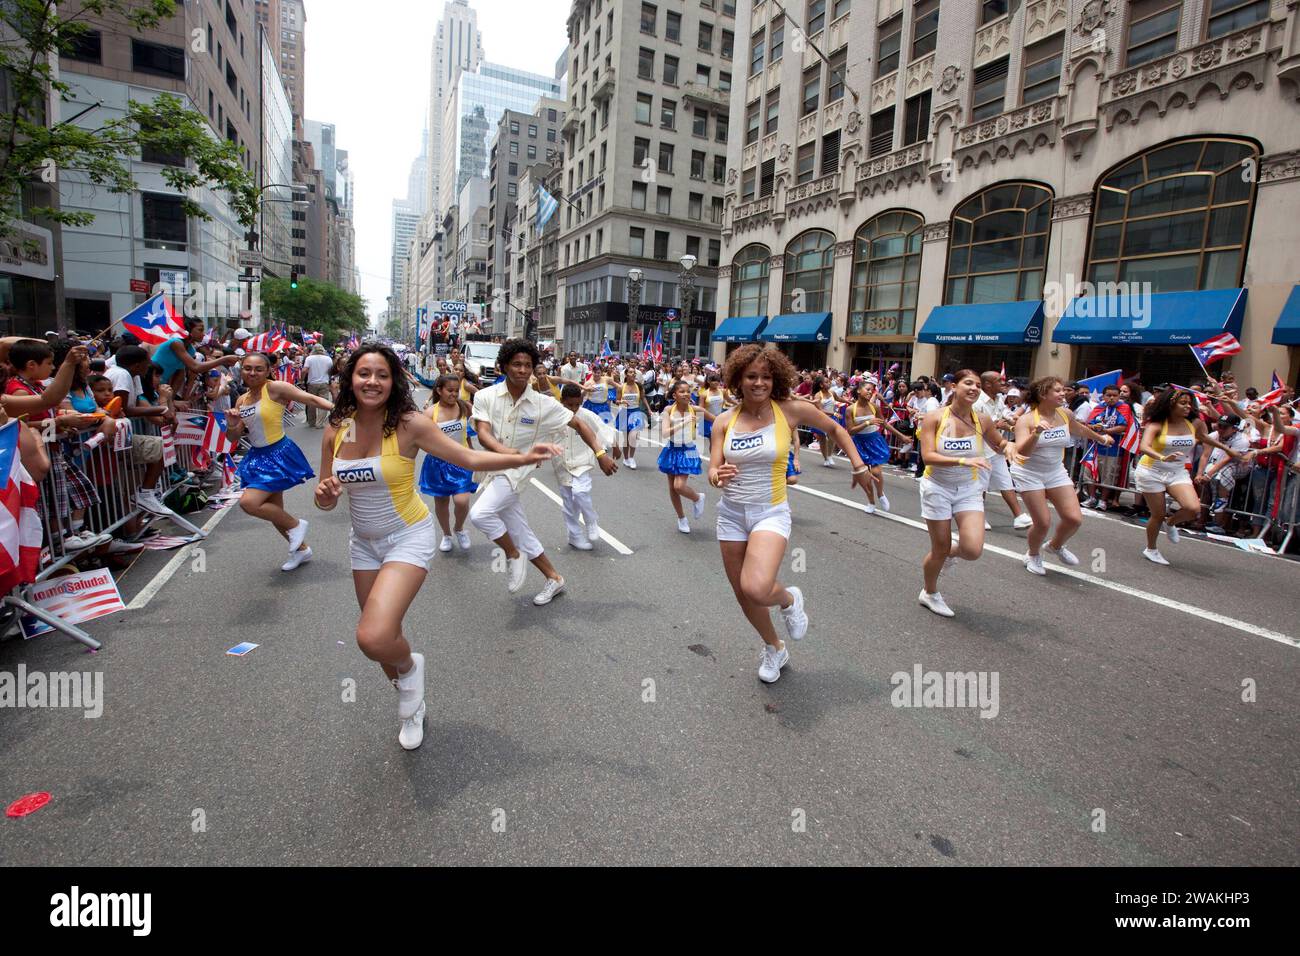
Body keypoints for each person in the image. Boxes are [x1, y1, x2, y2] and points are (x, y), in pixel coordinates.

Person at [315, 344, 558, 750]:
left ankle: (410, 677)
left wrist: (520, 456)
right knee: (382, 641)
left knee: (372, 637)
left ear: (394, 382)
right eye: (363, 374)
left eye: (382, 375)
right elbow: (325, 498)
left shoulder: (409, 424)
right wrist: (326, 494)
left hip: (406, 536)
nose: (371, 382)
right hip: (363, 544)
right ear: (350, 379)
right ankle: (413, 703)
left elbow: (469, 459)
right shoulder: (337, 428)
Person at [708, 345, 874, 684]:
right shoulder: (725, 421)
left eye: (766, 377)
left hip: (770, 512)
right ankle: (774, 647)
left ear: (776, 379)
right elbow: (712, 469)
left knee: (756, 588)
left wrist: (859, 466)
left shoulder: (790, 410)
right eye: (751, 376)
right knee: (743, 595)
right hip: (731, 515)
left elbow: (836, 429)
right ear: (738, 379)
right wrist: (716, 476)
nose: (759, 383)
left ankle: (788, 598)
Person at [469, 339, 616, 606]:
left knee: (480, 514)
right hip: (494, 467)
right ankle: (554, 578)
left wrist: (600, 454)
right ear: (503, 366)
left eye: (528, 365)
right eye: (517, 364)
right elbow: (482, 434)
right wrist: (509, 453)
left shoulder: (542, 404)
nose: (523, 370)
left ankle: (513, 556)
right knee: (520, 529)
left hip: (515, 473)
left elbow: (579, 425)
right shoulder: (484, 396)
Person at [916, 370, 1018, 617]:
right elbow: (928, 456)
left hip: (969, 490)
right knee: (938, 548)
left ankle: (949, 553)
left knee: (972, 550)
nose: (974, 388)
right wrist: (963, 461)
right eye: (968, 383)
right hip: (937, 487)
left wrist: (1009, 446)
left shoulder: (982, 419)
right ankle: (929, 592)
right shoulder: (935, 417)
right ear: (954, 386)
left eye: (978, 385)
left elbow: (999, 443)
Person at [225, 351, 334, 571]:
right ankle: (302, 549)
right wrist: (232, 423)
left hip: (277, 453)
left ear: (268, 371)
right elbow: (233, 437)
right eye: (247, 368)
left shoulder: (275, 388)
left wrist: (342, 410)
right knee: (274, 509)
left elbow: (310, 398)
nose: (252, 373)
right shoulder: (241, 399)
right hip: (257, 456)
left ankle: (296, 525)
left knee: (250, 503)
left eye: (258, 369)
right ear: (241, 370)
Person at [1011, 376, 1115, 574]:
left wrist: (1101, 438)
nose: (1063, 393)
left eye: (1063, 390)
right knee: (1042, 522)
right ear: (1043, 394)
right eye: (1057, 391)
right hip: (1028, 472)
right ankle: (1033, 554)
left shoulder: (1065, 413)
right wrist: (1036, 433)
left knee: (1073, 518)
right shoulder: (1025, 420)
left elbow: (1079, 429)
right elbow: (1022, 452)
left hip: (1055, 471)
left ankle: (1055, 546)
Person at [1134, 388, 1241, 565]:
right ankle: (1151, 549)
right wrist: (1162, 457)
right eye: (1183, 403)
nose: (1187, 407)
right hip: (1151, 471)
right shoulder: (1157, 424)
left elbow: (1204, 438)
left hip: (1177, 471)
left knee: (1193, 508)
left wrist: (1227, 449)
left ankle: (1171, 523)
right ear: (1170, 404)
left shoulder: (1195, 423)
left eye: (1189, 403)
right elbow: (1144, 447)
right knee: (1157, 514)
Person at [417, 374, 478, 553]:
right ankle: (446, 534)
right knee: (441, 502)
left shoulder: (465, 407)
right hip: (437, 464)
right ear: (439, 391)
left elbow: (474, 429)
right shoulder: (430, 414)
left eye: (456, 391)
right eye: (450, 390)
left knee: (462, 500)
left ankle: (459, 528)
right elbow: (422, 439)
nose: (454, 394)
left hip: (462, 461)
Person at [555, 383, 616, 549]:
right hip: (562, 463)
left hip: (582, 461)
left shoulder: (586, 415)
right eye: (570, 405)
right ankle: (574, 536)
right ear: (562, 401)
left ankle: (591, 520)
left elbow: (603, 430)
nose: (574, 409)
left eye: (577, 404)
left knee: (580, 492)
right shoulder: (554, 415)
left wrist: (614, 445)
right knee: (569, 503)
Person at [972, 371, 1033, 530]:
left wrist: (1017, 421)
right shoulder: (977, 402)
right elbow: (982, 425)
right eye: (999, 381)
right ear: (988, 385)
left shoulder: (999, 399)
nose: (1003, 383)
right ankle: (979, 517)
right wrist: (999, 424)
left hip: (997, 449)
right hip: (981, 450)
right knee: (981, 486)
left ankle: (1019, 516)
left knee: (1006, 481)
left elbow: (1007, 415)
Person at [845, 379, 906, 514]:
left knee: (876, 472)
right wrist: (867, 422)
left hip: (874, 441)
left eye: (871, 390)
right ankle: (871, 501)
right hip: (859, 443)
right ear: (859, 390)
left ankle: (880, 494)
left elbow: (884, 423)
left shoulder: (874, 407)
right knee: (865, 475)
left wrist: (901, 436)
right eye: (867, 389)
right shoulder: (850, 409)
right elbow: (850, 431)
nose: (870, 392)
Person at [658, 379, 708, 534]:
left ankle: (697, 498)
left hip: (688, 449)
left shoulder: (696, 409)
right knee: (672, 488)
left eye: (688, 391)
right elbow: (665, 433)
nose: (686, 394)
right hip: (672, 449)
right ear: (675, 395)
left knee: (679, 486)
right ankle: (681, 518)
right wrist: (684, 421)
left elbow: (719, 420)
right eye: (682, 391)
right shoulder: (668, 410)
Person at [614, 367, 648, 469]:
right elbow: (616, 401)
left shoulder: (639, 386)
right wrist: (621, 402)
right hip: (624, 412)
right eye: (631, 372)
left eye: (634, 372)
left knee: (633, 436)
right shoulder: (621, 387)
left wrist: (649, 410)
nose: (633, 374)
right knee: (626, 439)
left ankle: (632, 458)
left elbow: (643, 398)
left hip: (636, 412)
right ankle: (626, 458)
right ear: (626, 374)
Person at [302, 345, 335, 427]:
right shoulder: (328, 359)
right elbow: (331, 371)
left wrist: (301, 379)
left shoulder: (309, 358)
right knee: (323, 403)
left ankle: (311, 422)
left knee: (311, 403)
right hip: (324, 383)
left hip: (312, 383)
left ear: (313, 350)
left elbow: (304, 370)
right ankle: (319, 423)